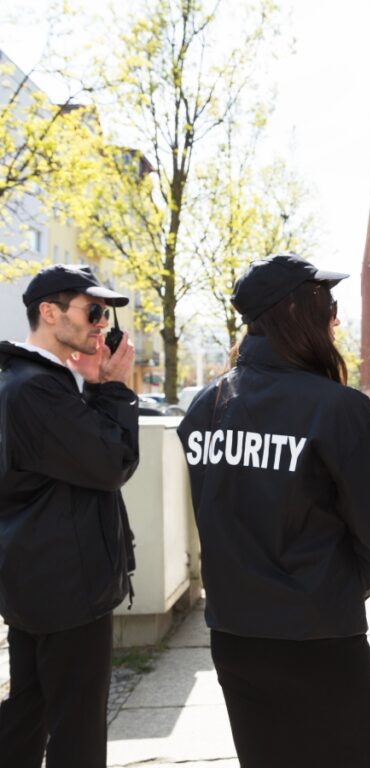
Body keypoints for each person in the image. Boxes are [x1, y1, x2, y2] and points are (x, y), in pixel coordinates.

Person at [177, 254, 370, 768]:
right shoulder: (336, 408)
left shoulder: (205, 408)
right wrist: (345, 585)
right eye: (329, 305)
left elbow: (212, 515)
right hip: (318, 634)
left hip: (235, 636)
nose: (336, 320)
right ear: (297, 311)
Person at [0, 264, 138, 768]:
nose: (102, 324)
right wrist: (115, 388)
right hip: (63, 586)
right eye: (94, 311)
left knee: (29, 710)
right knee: (76, 728)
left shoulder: (35, 382)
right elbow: (111, 461)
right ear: (49, 312)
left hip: (41, 578)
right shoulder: (37, 388)